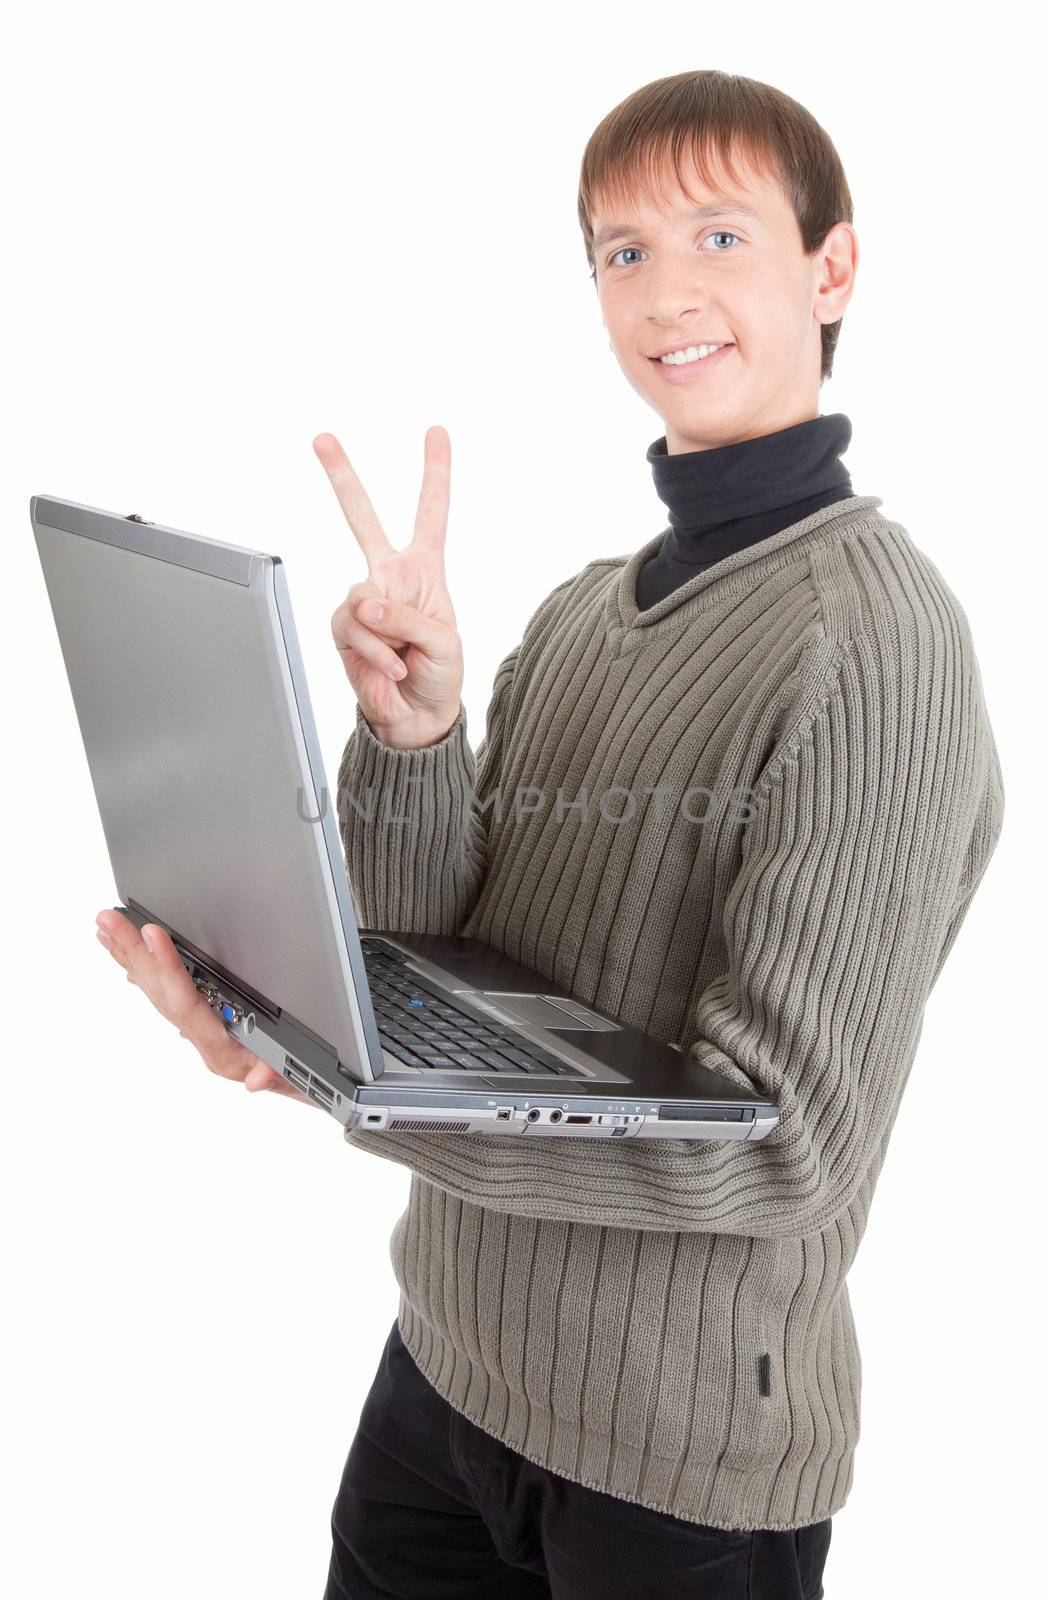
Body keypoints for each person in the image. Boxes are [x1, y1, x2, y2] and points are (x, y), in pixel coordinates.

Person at [95, 69, 1005, 1600]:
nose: (665, 291)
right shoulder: (584, 609)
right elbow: (436, 946)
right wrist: (415, 735)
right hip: (445, 1369)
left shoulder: (874, 644)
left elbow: (782, 1146)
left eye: (719, 236)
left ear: (828, 266)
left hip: (675, 1469)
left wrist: (361, 1094)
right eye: (622, 250)